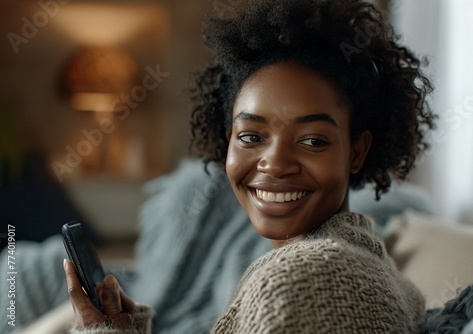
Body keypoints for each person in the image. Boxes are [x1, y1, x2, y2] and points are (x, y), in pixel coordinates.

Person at [64, 0, 435, 333]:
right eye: (251, 137)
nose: (274, 164)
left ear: (356, 151)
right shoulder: (353, 262)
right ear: (228, 140)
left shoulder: (305, 280)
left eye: (312, 141)